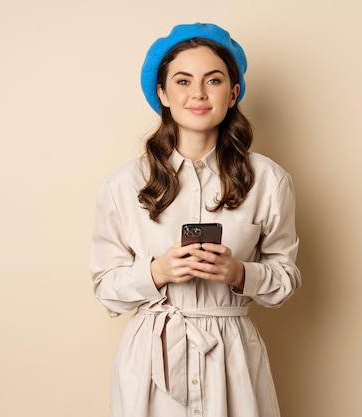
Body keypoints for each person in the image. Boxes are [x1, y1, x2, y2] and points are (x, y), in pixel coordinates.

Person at [90, 22, 301, 417]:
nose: (198, 94)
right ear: (162, 93)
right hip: (150, 364)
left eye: (214, 80)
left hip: (232, 357)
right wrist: (157, 272)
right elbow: (105, 289)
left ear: (233, 93)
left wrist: (238, 272)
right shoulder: (123, 184)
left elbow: (285, 280)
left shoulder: (269, 181)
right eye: (183, 81)